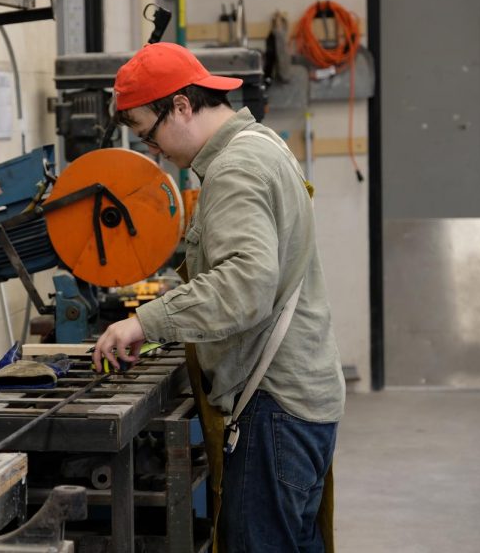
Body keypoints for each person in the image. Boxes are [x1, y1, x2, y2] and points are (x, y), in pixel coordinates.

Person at [91, 42, 345, 552]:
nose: (152, 150)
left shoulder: (235, 168)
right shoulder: (262, 143)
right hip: (301, 398)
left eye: (149, 133)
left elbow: (244, 286)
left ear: (182, 105)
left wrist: (144, 322)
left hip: (273, 406)